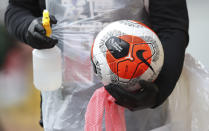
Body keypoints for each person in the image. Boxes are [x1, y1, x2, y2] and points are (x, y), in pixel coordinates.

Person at [4, 0, 189, 130]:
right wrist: (28, 27)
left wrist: (159, 89)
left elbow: (171, 26)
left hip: (137, 110)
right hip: (64, 110)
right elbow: (18, 10)